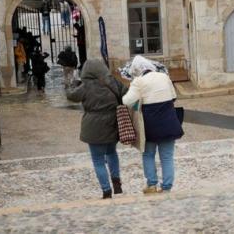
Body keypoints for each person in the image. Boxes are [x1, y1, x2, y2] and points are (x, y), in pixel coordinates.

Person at [66, 59, 128, 199]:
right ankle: (116, 182)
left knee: (98, 159)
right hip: (113, 123)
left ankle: (106, 191)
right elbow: (127, 94)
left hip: (93, 126)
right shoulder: (113, 82)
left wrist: (73, 84)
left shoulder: (85, 86)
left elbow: (71, 96)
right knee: (112, 152)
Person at [122, 55, 183, 194]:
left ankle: (151, 185)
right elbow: (173, 97)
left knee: (148, 154)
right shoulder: (163, 77)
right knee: (167, 156)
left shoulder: (138, 81)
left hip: (149, 126)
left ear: (137, 70)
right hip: (168, 122)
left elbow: (127, 101)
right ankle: (167, 187)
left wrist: (139, 101)